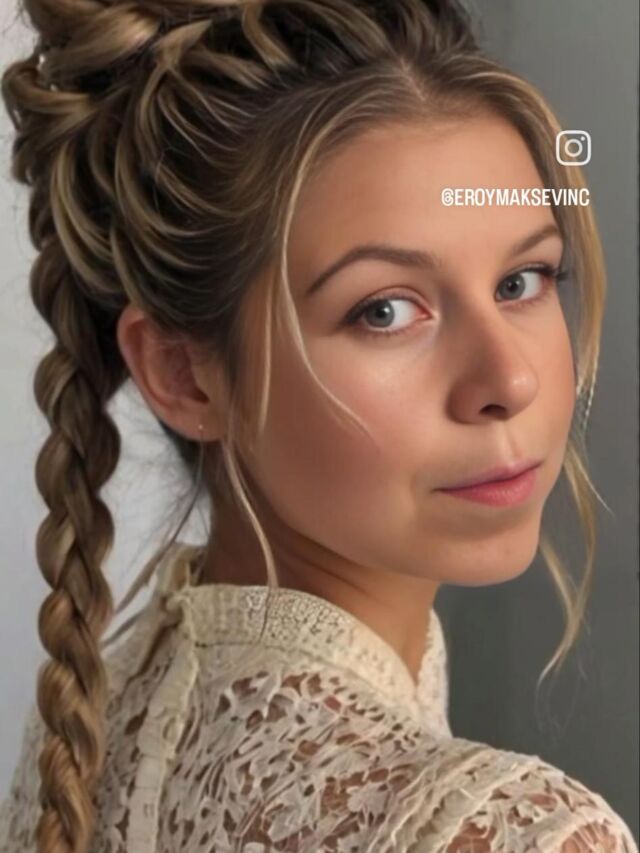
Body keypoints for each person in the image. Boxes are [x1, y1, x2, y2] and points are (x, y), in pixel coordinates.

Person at [0, 0, 636, 850]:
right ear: (184, 375)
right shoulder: (516, 832)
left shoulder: (83, 729)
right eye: (385, 310)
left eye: (522, 281)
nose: (508, 380)